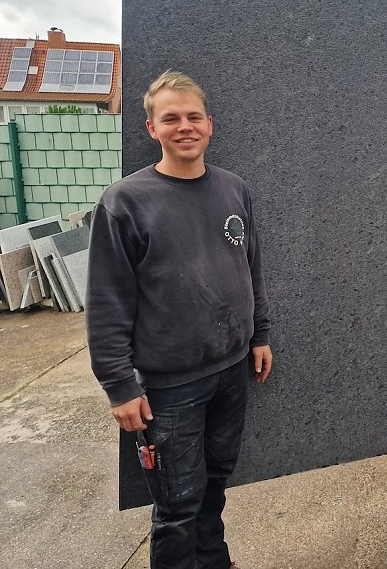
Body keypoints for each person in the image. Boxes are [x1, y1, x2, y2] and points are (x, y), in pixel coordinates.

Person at [87, 70, 272, 569]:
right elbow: (107, 300)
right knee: (176, 505)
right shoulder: (125, 202)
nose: (184, 126)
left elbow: (250, 267)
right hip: (168, 388)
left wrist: (259, 334)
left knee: (215, 481)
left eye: (193, 116)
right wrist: (119, 385)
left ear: (210, 124)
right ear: (152, 128)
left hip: (232, 370)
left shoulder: (235, 189)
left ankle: (214, 561)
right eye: (171, 118)